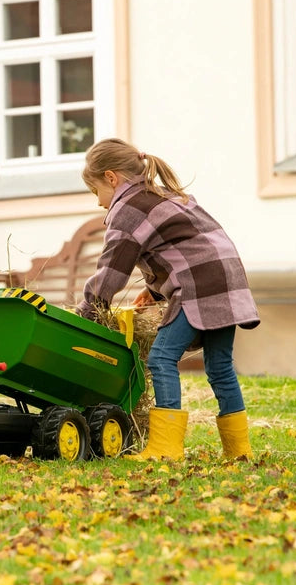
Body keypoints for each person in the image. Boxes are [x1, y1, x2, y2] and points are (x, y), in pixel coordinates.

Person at [75, 138, 259, 462]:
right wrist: (159, 291)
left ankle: (165, 449)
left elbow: (112, 269)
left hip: (200, 284)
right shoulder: (161, 194)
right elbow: (182, 246)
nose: (99, 203)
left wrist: (89, 308)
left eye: (96, 192)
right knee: (219, 367)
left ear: (111, 178)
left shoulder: (128, 208)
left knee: (160, 358)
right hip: (226, 279)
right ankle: (239, 451)